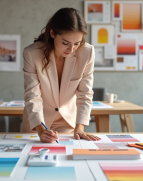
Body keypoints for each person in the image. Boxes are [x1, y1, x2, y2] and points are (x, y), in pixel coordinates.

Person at [22, 8, 101, 143]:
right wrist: (41, 131)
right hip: (36, 125)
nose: (71, 50)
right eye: (65, 43)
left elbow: (85, 94)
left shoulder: (87, 53)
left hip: (67, 123)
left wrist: (80, 127)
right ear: (52, 33)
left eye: (77, 43)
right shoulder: (32, 53)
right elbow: (32, 95)